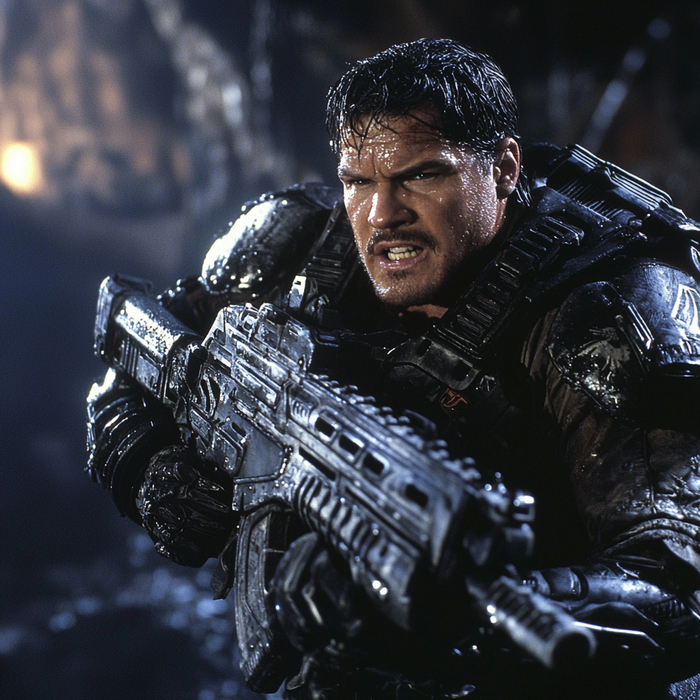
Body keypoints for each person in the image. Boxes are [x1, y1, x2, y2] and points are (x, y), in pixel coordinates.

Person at [87, 38, 700, 699]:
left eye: (421, 176)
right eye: (358, 182)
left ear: (503, 168)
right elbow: (134, 342)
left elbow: (677, 586)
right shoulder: (300, 242)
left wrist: (454, 622)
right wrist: (146, 464)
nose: (383, 216)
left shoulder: (608, 316)